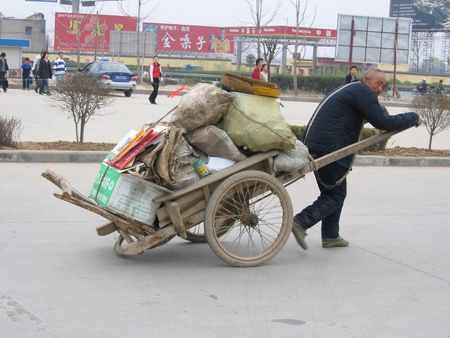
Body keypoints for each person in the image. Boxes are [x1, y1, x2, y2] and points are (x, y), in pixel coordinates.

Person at [291, 69, 422, 250]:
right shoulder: (362, 91)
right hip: (330, 148)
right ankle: (300, 222)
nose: (380, 89)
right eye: (378, 83)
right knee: (335, 195)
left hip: (319, 145)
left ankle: (331, 235)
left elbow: (359, 115)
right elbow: (384, 123)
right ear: (366, 79)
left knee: (334, 192)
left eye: (384, 86)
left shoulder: (352, 89)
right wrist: (412, 117)